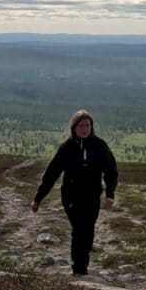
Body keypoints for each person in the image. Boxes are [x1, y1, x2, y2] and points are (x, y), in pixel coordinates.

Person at [31, 110, 118, 276]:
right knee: (78, 230)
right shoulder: (67, 148)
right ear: (74, 127)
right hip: (72, 196)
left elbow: (111, 171)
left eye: (87, 125)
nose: (84, 129)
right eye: (81, 125)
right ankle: (79, 270)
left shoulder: (99, 146)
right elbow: (51, 174)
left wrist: (110, 194)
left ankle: (82, 262)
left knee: (88, 231)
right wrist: (38, 199)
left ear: (91, 127)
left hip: (92, 196)